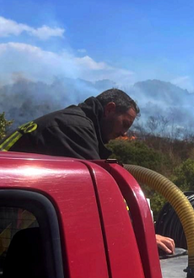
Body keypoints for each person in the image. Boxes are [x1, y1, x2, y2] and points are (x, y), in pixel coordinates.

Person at [0, 88, 176, 254]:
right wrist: (140, 235)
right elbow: (98, 192)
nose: (124, 133)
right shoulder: (73, 128)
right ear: (109, 109)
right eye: (124, 124)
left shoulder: (72, 123)